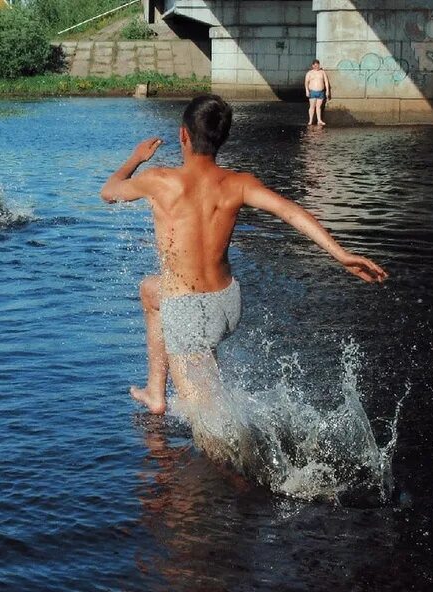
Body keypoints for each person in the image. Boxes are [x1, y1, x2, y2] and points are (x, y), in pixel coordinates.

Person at [100, 95, 386, 415]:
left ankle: (236, 462)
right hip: (226, 304)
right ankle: (156, 392)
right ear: (222, 137)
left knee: (207, 424)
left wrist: (135, 158)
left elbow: (109, 192)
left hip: (189, 310)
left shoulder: (159, 180)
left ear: (183, 135)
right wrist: (341, 254)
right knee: (151, 291)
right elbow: (291, 212)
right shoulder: (238, 184)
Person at [305, 59, 331, 126]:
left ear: (319, 65)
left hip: (321, 92)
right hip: (312, 92)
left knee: (318, 107)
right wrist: (307, 91)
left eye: (317, 65)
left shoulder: (322, 72)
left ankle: (319, 120)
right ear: (312, 65)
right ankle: (310, 120)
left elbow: (326, 82)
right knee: (312, 107)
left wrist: (327, 91)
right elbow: (306, 83)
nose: (316, 67)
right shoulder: (309, 73)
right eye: (315, 65)